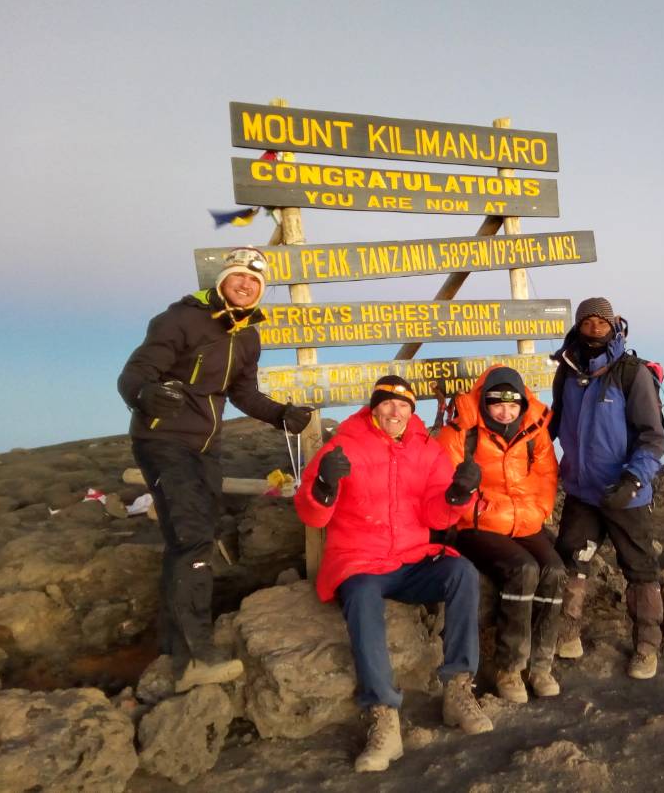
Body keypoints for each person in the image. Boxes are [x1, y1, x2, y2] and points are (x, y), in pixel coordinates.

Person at [118, 246, 313, 693]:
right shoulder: (181, 319)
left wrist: (281, 414)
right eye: (240, 276)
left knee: (191, 537)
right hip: (162, 440)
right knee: (193, 537)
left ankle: (174, 647)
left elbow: (243, 393)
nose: (247, 284)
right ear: (223, 279)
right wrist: (143, 395)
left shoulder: (246, 336)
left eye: (256, 281)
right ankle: (196, 657)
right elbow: (135, 371)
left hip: (205, 447)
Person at [294, 375, 494, 773]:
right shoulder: (343, 445)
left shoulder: (428, 451)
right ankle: (384, 715)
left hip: (412, 557)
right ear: (374, 407)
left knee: (462, 573)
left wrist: (457, 495)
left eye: (404, 405)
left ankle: (457, 690)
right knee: (362, 594)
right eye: (387, 403)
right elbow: (311, 512)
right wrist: (324, 484)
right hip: (360, 559)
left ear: (411, 412)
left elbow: (434, 516)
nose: (395, 411)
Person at [549, 297, 664, 680]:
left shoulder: (632, 373)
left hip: (625, 491)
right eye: (588, 321)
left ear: (614, 325)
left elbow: (652, 437)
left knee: (639, 568)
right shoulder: (567, 372)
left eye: (602, 321)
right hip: (583, 492)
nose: (595, 327)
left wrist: (633, 481)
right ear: (579, 326)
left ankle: (647, 647)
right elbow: (553, 423)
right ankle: (567, 633)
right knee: (571, 559)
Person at [437, 366, 564, 703]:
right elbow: (445, 482)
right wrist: (484, 512)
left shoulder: (534, 429)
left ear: (522, 405)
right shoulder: (461, 431)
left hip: (525, 520)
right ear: (484, 403)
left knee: (554, 570)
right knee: (523, 570)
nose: (506, 413)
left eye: (513, 406)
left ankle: (540, 666)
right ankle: (509, 669)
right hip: (475, 525)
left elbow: (547, 474)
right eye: (497, 405)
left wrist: (537, 512)